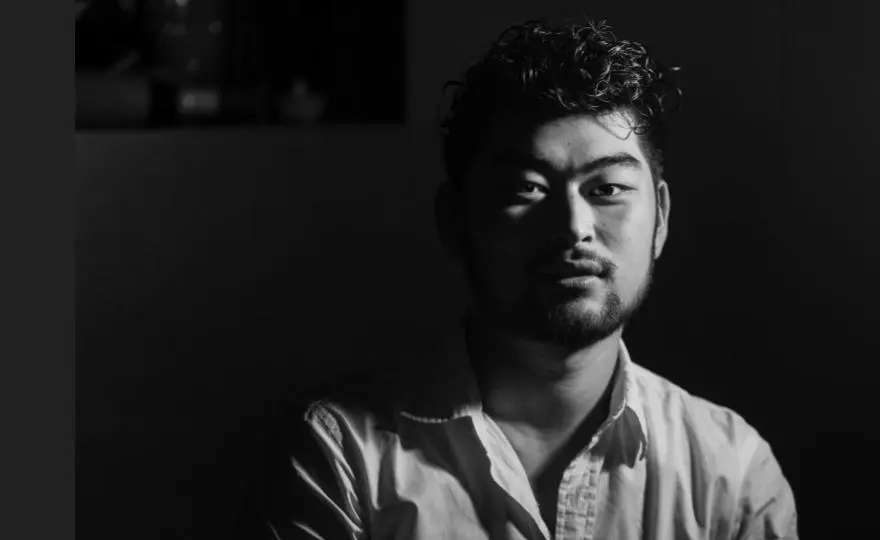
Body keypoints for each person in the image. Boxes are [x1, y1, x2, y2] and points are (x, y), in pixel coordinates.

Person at [246, 19, 798, 540]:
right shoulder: (344, 456)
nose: (573, 228)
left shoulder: (732, 473)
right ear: (456, 220)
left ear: (660, 218)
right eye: (526, 188)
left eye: (606, 189)